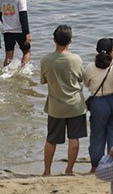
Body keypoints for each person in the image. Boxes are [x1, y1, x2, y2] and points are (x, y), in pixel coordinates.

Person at [40, 24, 87, 176]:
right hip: (75, 105)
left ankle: (47, 171)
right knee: (74, 138)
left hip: (55, 107)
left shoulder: (46, 60)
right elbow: (81, 78)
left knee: (51, 140)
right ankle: (69, 170)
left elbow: (43, 80)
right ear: (70, 41)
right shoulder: (76, 59)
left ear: (54, 40)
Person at [85, 38, 113, 173]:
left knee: (97, 135)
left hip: (99, 102)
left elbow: (86, 84)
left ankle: (95, 166)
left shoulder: (90, 67)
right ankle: (112, 164)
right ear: (111, 51)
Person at [0, 0, 31, 67]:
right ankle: (22, 70)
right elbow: (23, 16)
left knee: (8, 56)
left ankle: (5, 72)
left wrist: (6, 24)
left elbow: (0, 13)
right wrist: (27, 33)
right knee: (27, 51)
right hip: (20, 30)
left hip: (7, 30)